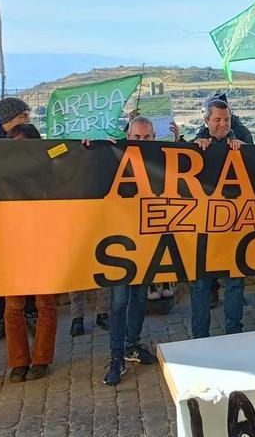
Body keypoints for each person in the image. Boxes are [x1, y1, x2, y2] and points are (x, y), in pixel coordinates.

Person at [101, 117, 160, 385]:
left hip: (147, 240)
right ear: (129, 136)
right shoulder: (114, 156)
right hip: (120, 243)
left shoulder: (162, 159)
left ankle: (132, 345)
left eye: (148, 138)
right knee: (118, 301)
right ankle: (116, 356)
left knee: (139, 297)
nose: (143, 142)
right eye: (137, 137)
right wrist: (90, 149)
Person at [0, 124, 59, 382]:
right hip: (9, 244)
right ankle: (18, 362)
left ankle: (42, 359)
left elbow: (70, 160)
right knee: (13, 306)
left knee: (45, 304)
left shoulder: (48, 167)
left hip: (42, 243)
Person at [0, 98, 40, 343]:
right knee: (1, 274)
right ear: (8, 119)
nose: (27, 119)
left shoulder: (30, 136)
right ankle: (0, 319)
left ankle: (31, 313)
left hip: (26, 218)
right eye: (23, 115)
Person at [191, 96, 245, 338]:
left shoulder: (240, 139)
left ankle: (234, 334)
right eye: (217, 120)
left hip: (233, 225)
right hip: (202, 227)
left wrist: (243, 148)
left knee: (235, 284)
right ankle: (200, 337)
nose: (223, 124)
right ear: (206, 120)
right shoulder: (194, 144)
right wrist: (194, 146)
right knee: (201, 285)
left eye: (227, 119)